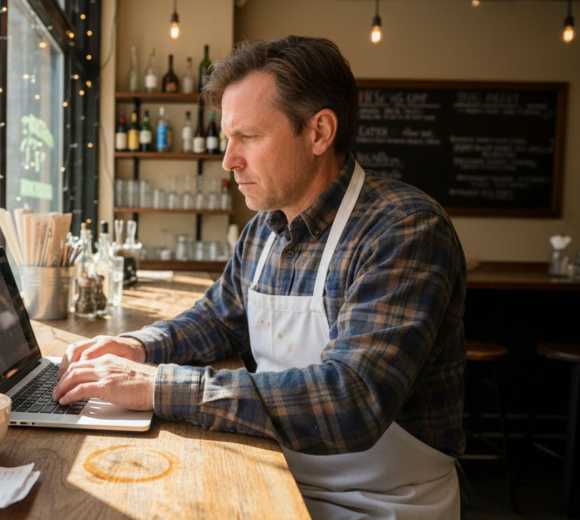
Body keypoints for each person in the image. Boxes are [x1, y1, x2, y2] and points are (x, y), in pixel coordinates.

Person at [50, 36, 467, 518]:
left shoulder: (403, 228)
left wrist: (155, 384)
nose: (228, 160)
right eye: (228, 138)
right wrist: (138, 347)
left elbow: (352, 399)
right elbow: (218, 319)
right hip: (279, 472)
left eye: (247, 137)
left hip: (384, 503)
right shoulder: (264, 229)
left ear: (319, 133)